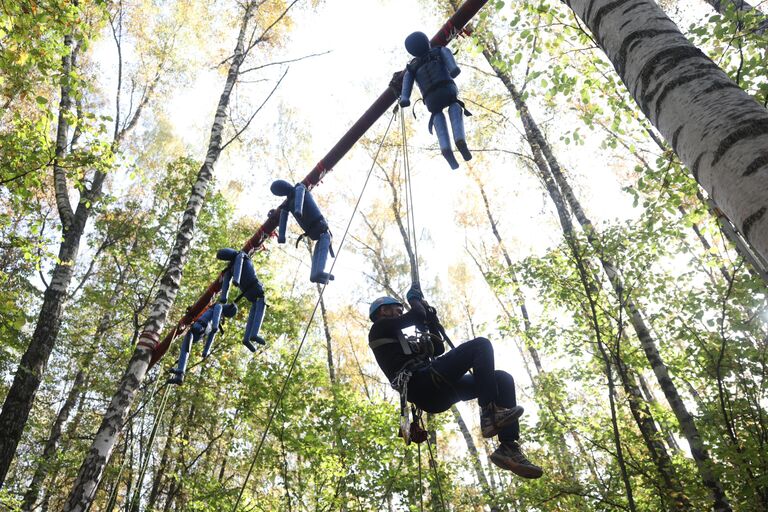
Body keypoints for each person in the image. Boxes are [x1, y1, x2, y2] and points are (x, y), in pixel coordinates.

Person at [368, 284, 543, 478]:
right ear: (383, 311)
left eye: (401, 308)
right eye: (397, 308)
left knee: (502, 379)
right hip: (421, 383)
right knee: (480, 345)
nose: (401, 311)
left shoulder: (402, 342)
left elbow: (438, 349)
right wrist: (415, 301)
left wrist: (430, 320)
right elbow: (416, 316)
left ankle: (508, 448)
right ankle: (489, 414)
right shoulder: (379, 329)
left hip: (434, 393)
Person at [399, 31, 472, 170]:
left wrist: (405, 97)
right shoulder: (438, 51)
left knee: (437, 115)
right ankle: (459, 138)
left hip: (431, 98)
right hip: (447, 89)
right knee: (454, 106)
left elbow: (407, 80)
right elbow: (447, 54)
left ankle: (445, 148)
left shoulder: (412, 67)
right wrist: (453, 68)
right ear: (427, 42)